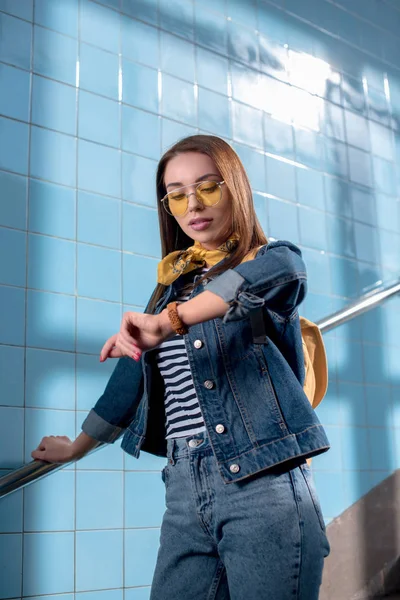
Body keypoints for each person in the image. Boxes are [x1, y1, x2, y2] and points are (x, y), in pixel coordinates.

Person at [32, 135, 330, 599]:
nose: (193, 203)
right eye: (176, 193)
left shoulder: (268, 263)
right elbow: (129, 379)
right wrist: (79, 445)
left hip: (265, 483)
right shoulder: (168, 292)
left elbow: (286, 271)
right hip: (184, 489)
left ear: (235, 189)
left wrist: (168, 322)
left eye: (208, 187)